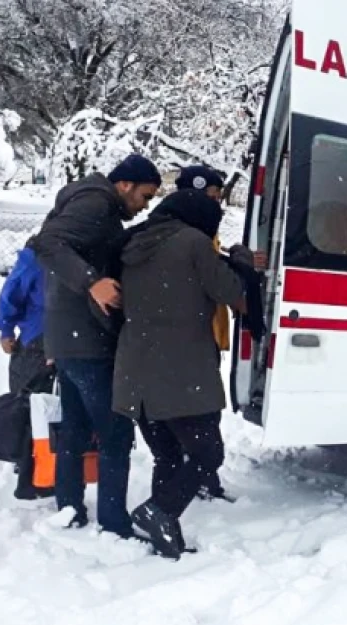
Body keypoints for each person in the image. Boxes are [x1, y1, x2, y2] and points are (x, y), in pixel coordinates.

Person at [113, 188, 250, 559]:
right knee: (207, 454)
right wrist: (240, 260)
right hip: (181, 373)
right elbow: (229, 288)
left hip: (135, 374)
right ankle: (161, 511)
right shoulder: (192, 242)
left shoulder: (134, 241)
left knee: (169, 456)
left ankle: (163, 528)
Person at [30, 154, 161, 537]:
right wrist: (93, 281)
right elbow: (48, 244)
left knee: (75, 428)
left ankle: (69, 506)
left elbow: (77, 245)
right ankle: (114, 523)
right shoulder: (96, 202)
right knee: (115, 430)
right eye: (145, 196)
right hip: (87, 339)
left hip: (69, 337)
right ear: (125, 185)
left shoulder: (92, 205)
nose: (144, 205)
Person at [174, 165, 235, 502]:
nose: (217, 205)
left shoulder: (203, 233)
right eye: (211, 197)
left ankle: (203, 475)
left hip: (207, 334)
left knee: (207, 408)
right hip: (192, 337)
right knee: (197, 411)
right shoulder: (186, 235)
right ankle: (195, 475)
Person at [0, 238, 55, 500]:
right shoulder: (40, 255)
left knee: (33, 405)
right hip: (47, 338)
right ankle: (35, 469)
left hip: (45, 337)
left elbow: (13, 290)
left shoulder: (41, 253)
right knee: (38, 406)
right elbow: (13, 291)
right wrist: (6, 328)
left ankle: (36, 466)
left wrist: (7, 327)